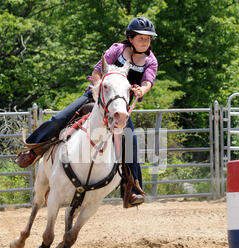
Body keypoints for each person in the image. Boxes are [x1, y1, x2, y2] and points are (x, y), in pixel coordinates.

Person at [16, 17, 158, 206]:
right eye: (141, 38)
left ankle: (132, 189)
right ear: (130, 38)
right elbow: (98, 70)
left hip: (119, 107)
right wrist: (98, 88)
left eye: (148, 39)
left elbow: (148, 81)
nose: (145, 42)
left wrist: (142, 90)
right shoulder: (116, 49)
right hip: (97, 96)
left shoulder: (151, 60)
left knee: (130, 141)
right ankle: (33, 150)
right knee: (61, 117)